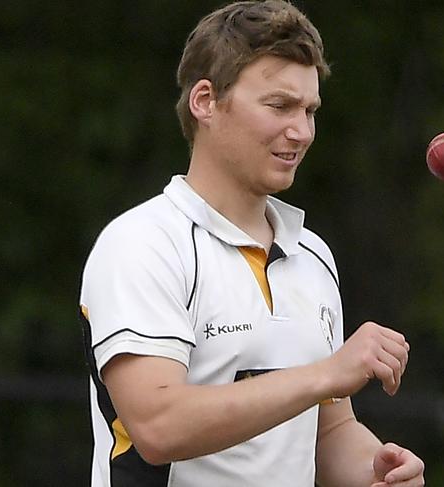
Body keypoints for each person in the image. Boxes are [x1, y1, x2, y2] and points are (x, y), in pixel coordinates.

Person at [79, 1, 425, 486]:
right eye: (280, 106)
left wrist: (378, 471)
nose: (301, 132)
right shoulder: (143, 243)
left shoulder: (313, 256)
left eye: (309, 111)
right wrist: (326, 373)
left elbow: (330, 433)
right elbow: (158, 426)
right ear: (205, 101)